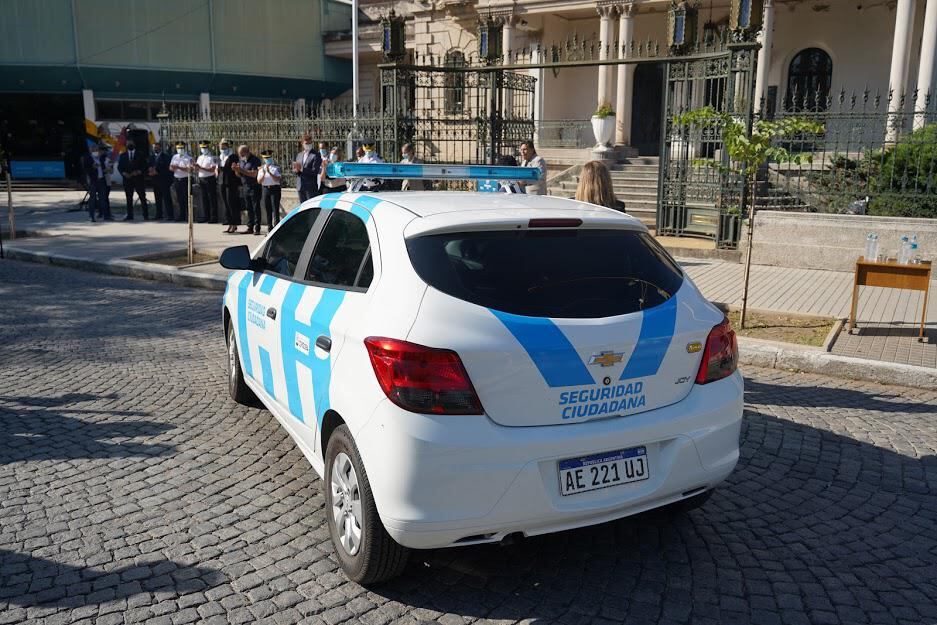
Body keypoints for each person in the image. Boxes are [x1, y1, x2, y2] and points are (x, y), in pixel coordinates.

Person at [117, 138, 150, 220]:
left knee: (142, 197)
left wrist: (139, 171)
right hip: (127, 180)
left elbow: (145, 166)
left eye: (131, 143)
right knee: (129, 198)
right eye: (128, 143)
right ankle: (130, 215)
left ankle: (146, 215)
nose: (129, 144)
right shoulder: (123, 155)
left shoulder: (140, 154)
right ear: (126, 145)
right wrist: (123, 173)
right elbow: (120, 167)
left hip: (138, 179)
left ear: (134, 144)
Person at [234, 145, 262, 235]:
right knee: (249, 208)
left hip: (254, 187)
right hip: (245, 187)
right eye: (239, 155)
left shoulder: (255, 160)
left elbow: (254, 174)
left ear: (247, 152)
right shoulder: (241, 160)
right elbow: (239, 175)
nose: (241, 156)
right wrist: (236, 170)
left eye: (242, 154)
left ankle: (257, 228)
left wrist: (241, 170)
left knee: (255, 207)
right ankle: (250, 226)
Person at [80, 144, 112, 222]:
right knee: (93, 199)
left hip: (101, 180)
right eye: (94, 150)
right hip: (93, 180)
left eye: (97, 150)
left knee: (103, 199)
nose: (96, 151)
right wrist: (92, 167)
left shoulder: (100, 158)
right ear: (91, 150)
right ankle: (92, 216)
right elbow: (86, 168)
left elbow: (103, 168)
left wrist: (107, 170)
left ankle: (105, 215)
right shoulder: (88, 158)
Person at [217, 138, 241, 234]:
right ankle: (229, 223)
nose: (222, 147)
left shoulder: (232, 156)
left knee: (231, 203)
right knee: (226, 203)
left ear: (228, 146)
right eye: (221, 146)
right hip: (222, 182)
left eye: (224, 146)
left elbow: (233, 170)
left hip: (230, 183)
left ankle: (234, 224)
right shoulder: (221, 156)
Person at [195, 140, 220, 223]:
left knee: (211, 199)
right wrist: (194, 167)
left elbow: (212, 169)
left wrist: (201, 168)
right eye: (202, 147)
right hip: (201, 179)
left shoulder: (211, 157)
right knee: (204, 198)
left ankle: (213, 217)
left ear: (208, 147)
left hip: (209, 179)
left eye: (205, 147)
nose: (203, 149)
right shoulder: (200, 157)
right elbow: (197, 168)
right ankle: (206, 216)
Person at [292, 134, 322, 203]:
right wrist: (296, 170)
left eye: (310, 143)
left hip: (310, 188)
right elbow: (295, 170)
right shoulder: (299, 155)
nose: (308, 145)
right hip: (300, 186)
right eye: (306, 143)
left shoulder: (316, 155)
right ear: (302, 144)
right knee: (302, 209)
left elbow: (315, 171)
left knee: (311, 208)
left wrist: (302, 169)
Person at [258, 149, 282, 234]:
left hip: (274, 189)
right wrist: (264, 173)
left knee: (275, 209)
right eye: (266, 158)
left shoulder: (276, 167)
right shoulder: (261, 168)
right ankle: (269, 228)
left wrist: (270, 173)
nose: (267, 159)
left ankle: (276, 228)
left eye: (269, 158)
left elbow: (278, 179)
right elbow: (259, 181)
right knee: (267, 209)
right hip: (265, 189)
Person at [169, 141, 194, 222]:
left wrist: (178, 167)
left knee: (186, 198)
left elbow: (189, 170)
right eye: (178, 148)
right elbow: (170, 167)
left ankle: (189, 215)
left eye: (181, 148)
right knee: (179, 198)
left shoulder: (188, 158)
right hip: (177, 179)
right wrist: (173, 168)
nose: (180, 149)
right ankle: (182, 215)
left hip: (185, 179)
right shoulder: (174, 157)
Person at [150, 143, 173, 220]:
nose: (155, 149)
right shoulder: (152, 157)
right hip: (155, 181)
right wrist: (150, 171)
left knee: (166, 198)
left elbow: (168, 169)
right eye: (154, 147)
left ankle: (170, 215)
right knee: (157, 198)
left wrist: (158, 172)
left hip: (164, 181)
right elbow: (150, 166)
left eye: (156, 147)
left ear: (160, 147)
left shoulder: (165, 156)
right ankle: (159, 214)